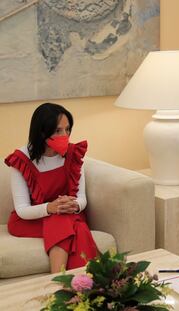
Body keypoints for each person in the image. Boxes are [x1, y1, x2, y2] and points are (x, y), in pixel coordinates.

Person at [5, 103, 98, 273]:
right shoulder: (21, 159)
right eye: (58, 130)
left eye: (67, 129)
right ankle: (85, 282)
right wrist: (51, 207)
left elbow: (81, 198)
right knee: (63, 220)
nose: (65, 135)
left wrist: (74, 205)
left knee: (64, 219)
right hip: (30, 219)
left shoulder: (74, 154)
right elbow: (22, 210)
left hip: (68, 213)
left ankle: (60, 284)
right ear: (42, 132)